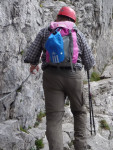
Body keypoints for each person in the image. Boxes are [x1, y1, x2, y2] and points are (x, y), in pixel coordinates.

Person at [24, 6, 95, 150]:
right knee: (80, 112)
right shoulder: (77, 33)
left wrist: (33, 64)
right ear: (73, 20)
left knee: (54, 118)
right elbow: (90, 61)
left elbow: (32, 55)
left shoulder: (45, 31)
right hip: (74, 76)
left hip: (51, 77)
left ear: (58, 17)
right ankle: (80, 146)